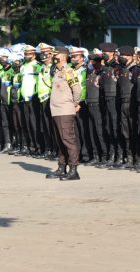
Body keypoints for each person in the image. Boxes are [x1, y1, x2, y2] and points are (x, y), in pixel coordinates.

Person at [46, 47, 82, 181]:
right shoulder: (56, 71)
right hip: (56, 111)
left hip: (65, 111)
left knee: (68, 140)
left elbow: (77, 89)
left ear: (63, 56)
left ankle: (73, 170)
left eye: (56, 54)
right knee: (60, 141)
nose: (53, 56)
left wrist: (74, 103)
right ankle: (62, 168)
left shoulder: (69, 71)